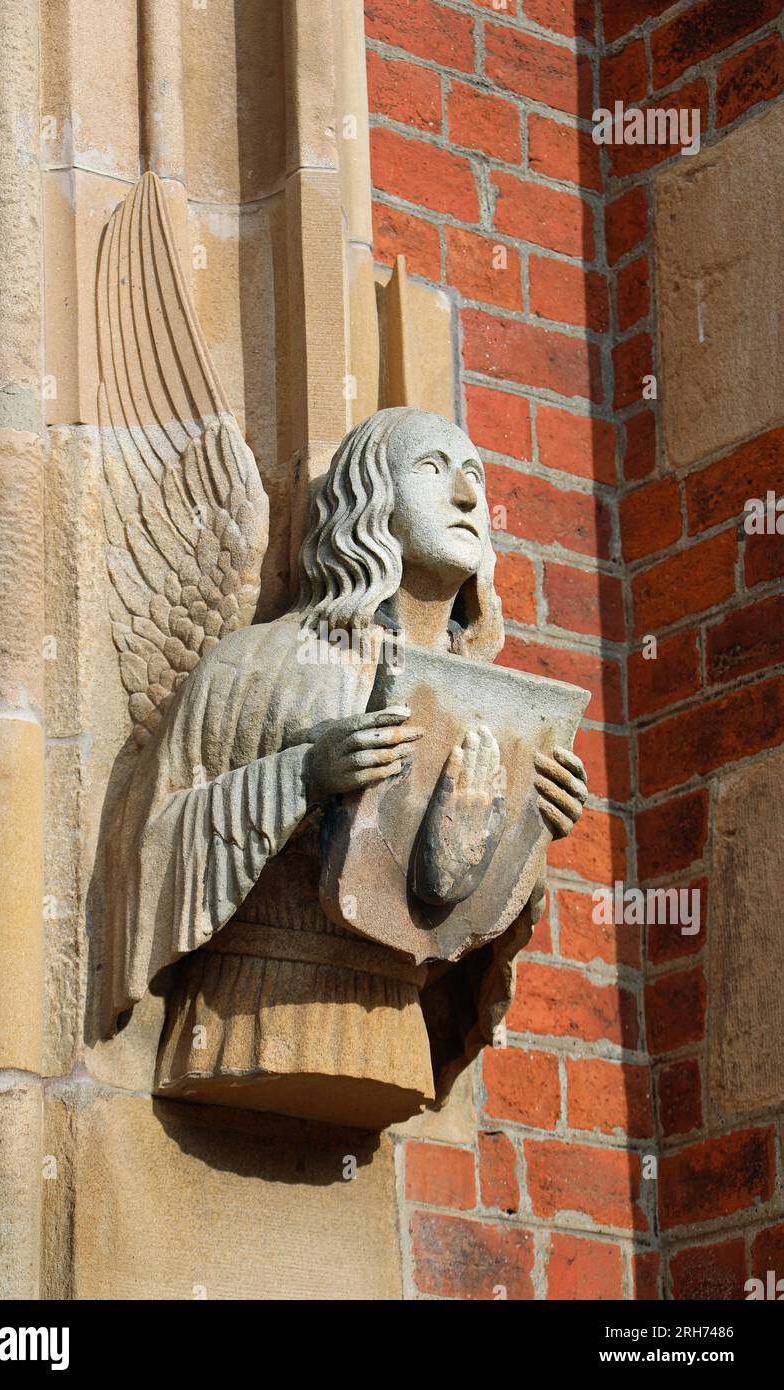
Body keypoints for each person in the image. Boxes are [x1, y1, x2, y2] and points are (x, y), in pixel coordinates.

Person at [103, 408, 587, 1127]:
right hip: (253, 1016)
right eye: (432, 469)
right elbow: (151, 843)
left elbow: (450, 925)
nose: (466, 497)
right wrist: (301, 775)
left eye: (475, 476)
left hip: (390, 1035)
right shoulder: (265, 663)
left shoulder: (490, 703)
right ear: (369, 498)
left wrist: (526, 829)